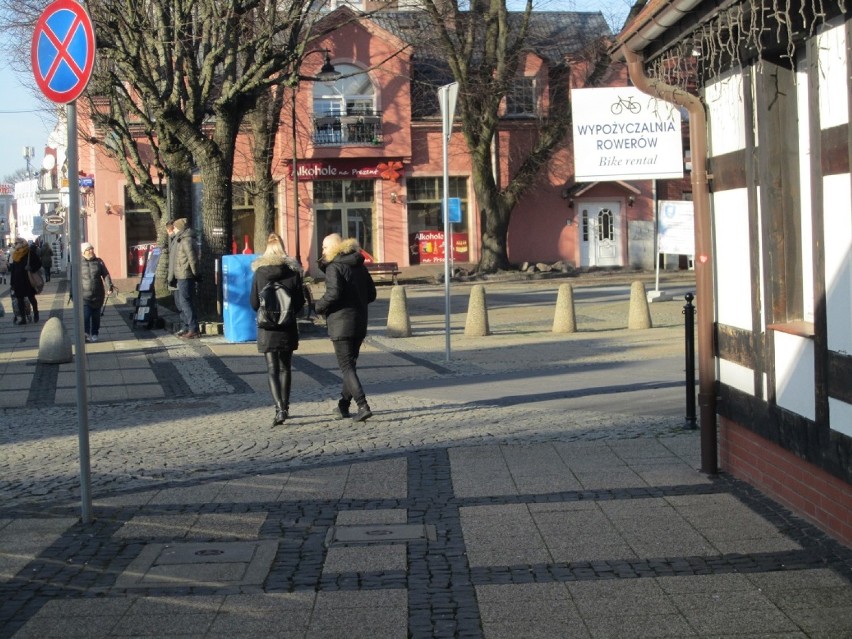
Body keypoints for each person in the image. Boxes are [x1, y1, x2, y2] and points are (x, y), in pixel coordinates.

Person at [314, 233, 377, 422]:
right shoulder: (358, 265)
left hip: (341, 324)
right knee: (350, 365)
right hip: (359, 322)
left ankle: (362, 405)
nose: (322, 251)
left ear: (334, 248)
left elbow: (333, 294)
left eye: (324, 247)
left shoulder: (335, 266)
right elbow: (372, 294)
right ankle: (343, 405)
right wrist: (357, 302)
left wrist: (318, 306)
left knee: (346, 366)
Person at [250, 233, 305, 426]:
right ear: (282, 248)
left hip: (267, 328)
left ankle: (279, 408)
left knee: (272, 368)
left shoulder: (260, 273)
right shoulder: (293, 272)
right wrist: (288, 313)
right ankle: (287, 406)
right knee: (285, 368)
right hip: (287, 326)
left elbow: (254, 302)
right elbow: (300, 302)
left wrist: (267, 313)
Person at [169, 218, 200, 338]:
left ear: (180, 228)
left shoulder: (186, 241)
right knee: (184, 302)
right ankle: (188, 327)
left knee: (186, 302)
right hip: (181, 275)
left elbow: (192, 259)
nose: (174, 230)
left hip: (185, 275)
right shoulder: (181, 240)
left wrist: (196, 274)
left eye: (176, 227)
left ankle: (193, 328)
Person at [79, 242, 114, 342]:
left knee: (96, 317)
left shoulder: (99, 261)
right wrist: (72, 293)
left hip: (98, 294)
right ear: (83, 252)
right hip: (84, 296)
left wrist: (109, 286)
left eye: (92, 249)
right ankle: (86, 333)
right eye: (89, 249)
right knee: (86, 316)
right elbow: (74, 279)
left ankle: (95, 333)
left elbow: (105, 274)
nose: (91, 251)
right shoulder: (78, 263)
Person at [9, 238, 41, 324]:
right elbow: (13, 270)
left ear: (23, 243)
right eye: (15, 243)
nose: (16, 244)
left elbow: (38, 264)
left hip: (27, 280)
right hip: (18, 280)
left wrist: (31, 268)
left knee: (31, 297)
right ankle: (23, 318)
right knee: (19, 300)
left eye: (17, 243)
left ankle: (36, 313)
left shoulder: (30, 253)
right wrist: (12, 283)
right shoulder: (15, 254)